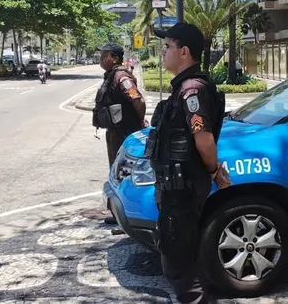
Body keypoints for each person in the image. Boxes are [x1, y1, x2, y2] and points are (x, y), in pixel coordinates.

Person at [150, 22, 232, 304]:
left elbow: (204, 139)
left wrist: (213, 170)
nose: (163, 52)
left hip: (182, 189)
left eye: (167, 46)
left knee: (177, 262)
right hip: (177, 186)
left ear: (184, 51)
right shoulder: (185, 86)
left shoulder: (192, 89)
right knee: (182, 255)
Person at [93, 43, 147, 225]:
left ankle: (130, 215)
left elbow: (137, 100)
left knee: (125, 174)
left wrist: (139, 123)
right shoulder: (112, 76)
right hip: (116, 133)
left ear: (114, 58)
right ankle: (118, 213)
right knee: (116, 173)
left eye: (104, 55)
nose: (101, 58)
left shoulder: (121, 76)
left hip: (125, 133)